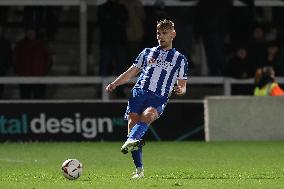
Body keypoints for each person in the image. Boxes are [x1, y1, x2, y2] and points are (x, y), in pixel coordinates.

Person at [105, 19, 189, 179]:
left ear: (173, 34)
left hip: (159, 97)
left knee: (149, 115)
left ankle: (130, 140)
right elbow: (131, 72)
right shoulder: (147, 52)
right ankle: (139, 170)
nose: (161, 36)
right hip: (139, 93)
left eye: (165, 33)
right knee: (132, 124)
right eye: (159, 33)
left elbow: (183, 86)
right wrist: (115, 83)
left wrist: (180, 89)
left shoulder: (180, 59)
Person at [13, 28, 52, 99]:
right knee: (25, 99)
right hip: (24, 77)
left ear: (35, 33)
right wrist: (20, 72)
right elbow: (15, 60)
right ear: (26, 33)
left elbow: (49, 59)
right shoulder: (20, 45)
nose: (30, 33)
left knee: (39, 99)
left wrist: (43, 72)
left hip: (39, 77)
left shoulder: (42, 44)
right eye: (28, 31)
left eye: (32, 31)